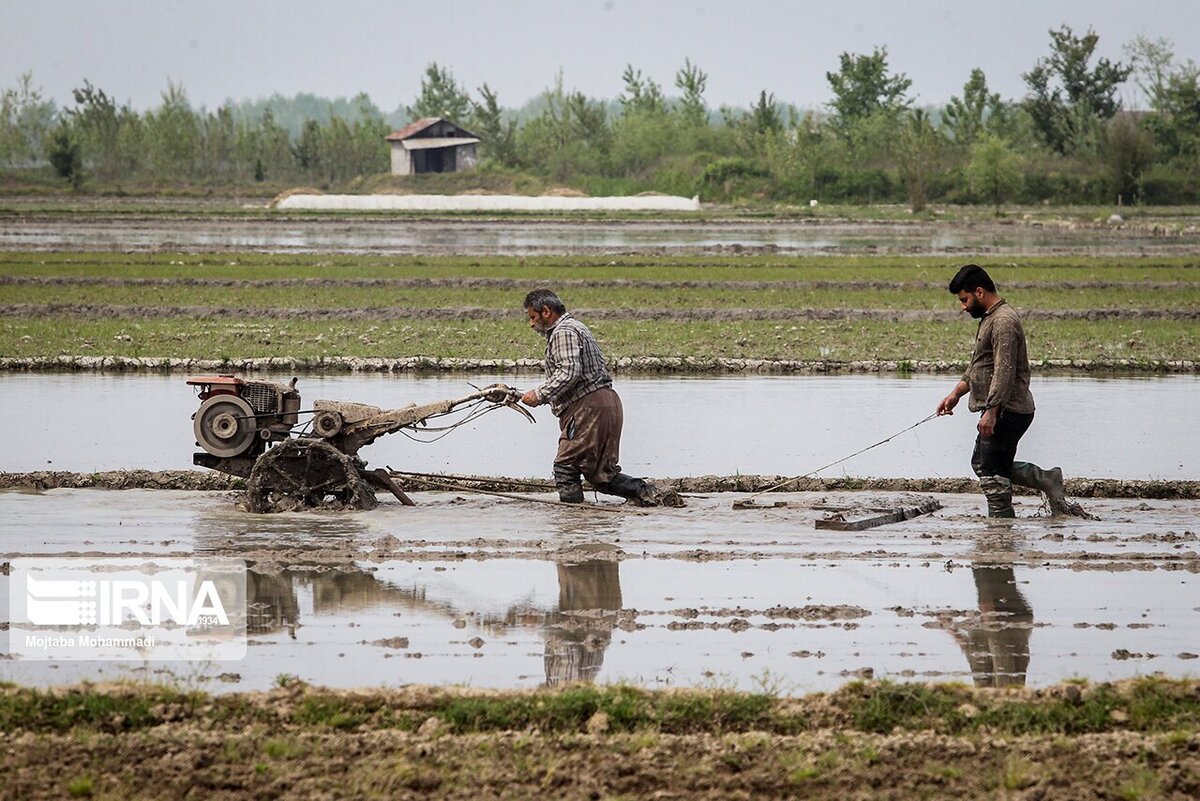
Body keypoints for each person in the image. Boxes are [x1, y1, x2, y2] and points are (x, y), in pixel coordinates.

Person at [935, 264, 1089, 518]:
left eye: (964, 299)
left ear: (980, 292)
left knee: (993, 472)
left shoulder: (1004, 321)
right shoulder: (991, 318)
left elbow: (1004, 372)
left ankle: (1000, 525)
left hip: (1009, 409)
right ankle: (1046, 479)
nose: (962, 306)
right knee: (983, 464)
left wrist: (992, 412)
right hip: (1000, 407)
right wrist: (956, 394)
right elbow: (981, 366)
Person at [520, 289, 682, 507]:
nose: (531, 324)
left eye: (532, 317)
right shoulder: (577, 327)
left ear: (546, 311)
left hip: (588, 407)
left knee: (566, 467)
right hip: (605, 403)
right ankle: (651, 495)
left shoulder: (563, 332)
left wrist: (539, 394)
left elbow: (569, 372)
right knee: (600, 475)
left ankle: (573, 520)